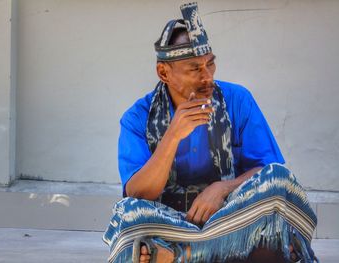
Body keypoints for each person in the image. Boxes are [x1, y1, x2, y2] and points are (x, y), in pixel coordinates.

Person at [104, 2, 317, 263]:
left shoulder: (237, 100)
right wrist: (172, 136)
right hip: (171, 223)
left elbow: (266, 169)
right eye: (195, 69)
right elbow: (137, 193)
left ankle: (182, 255)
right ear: (164, 72)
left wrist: (222, 188)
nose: (207, 77)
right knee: (127, 215)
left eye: (210, 64)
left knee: (279, 181)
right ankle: (223, 251)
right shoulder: (137, 117)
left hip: (231, 216)